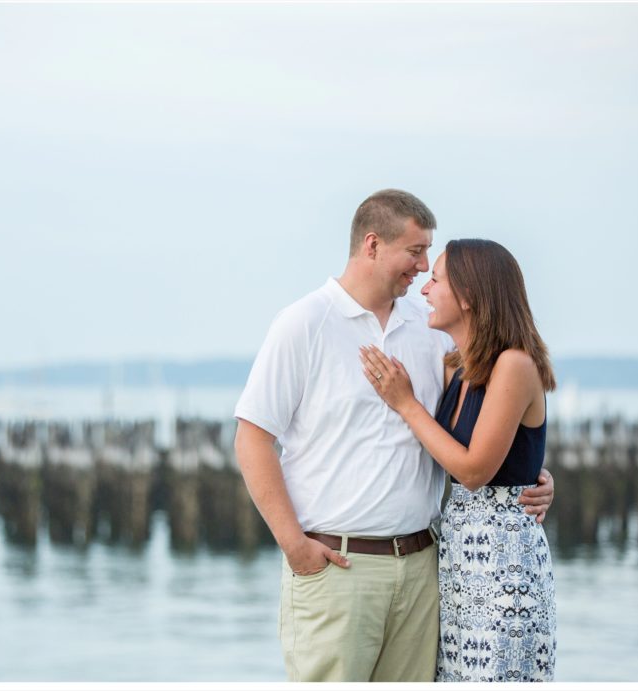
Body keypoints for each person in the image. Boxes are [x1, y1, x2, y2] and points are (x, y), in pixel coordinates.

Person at [233, 190, 554, 682]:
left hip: (427, 570)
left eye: (431, 256)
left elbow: (487, 426)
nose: (424, 268)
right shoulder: (304, 324)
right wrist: (292, 544)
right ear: (372, 245)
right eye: (416, 251)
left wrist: (530, 477)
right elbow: (252, 439)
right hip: (338, 567)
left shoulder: (432, 334)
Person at [358, 238, 557, 682]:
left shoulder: (515, 364)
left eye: (436, 279)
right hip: (458, 561)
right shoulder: (458, 366)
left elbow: (472, 471)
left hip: (505, 563)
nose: (425, 289)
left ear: (468, 296)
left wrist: (405, 404)